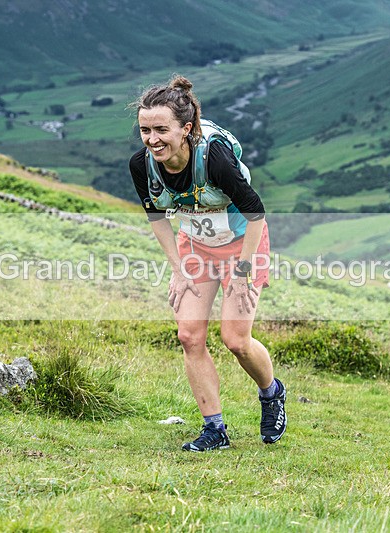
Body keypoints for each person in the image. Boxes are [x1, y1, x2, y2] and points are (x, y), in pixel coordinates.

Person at [128, 75, 286, 451]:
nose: (152, 140)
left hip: (242, 244)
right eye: (145, 130)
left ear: (186, 128)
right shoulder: (142, 165)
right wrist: (179, 268)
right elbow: (157, 218)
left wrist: (244, 273)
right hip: (196, 246)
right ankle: (214, 430)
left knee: (235, 340)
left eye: (161, 130)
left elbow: (256, 213)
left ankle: (271, 392)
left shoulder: (213, 157)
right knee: (189, 335)